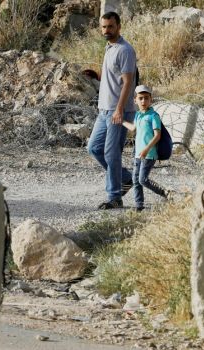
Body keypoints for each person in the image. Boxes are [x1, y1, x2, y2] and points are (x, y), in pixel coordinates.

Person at [87, 11, 136, 209]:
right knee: (94, 148)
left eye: (110, 26)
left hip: (118, 111)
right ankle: (125, 177)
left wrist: (119, 110)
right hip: (104, 111)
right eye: (103, 27)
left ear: (119, 27)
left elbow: (127, 82)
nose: (106, 30)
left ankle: (115, 197)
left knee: (111, 153)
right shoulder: (109, 48)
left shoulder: (125, 50)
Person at [122, 85, 169, 212]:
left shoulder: (153, 116)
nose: (143, 101)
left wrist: (147, 149)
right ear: (135, 100)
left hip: (149, 153)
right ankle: (139, 205)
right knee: (135, 180)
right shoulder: (138, 115)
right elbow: (133, 128)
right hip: (138, 153)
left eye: (146, 98)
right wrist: (121, 121)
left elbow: (157, 135)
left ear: (151, 100)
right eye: (140, 98)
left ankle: (166, 193)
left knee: (142, 179)